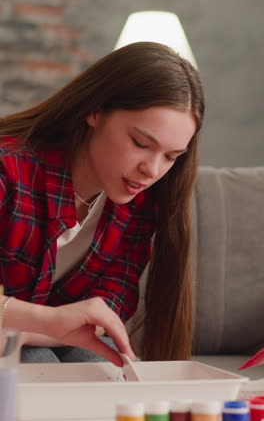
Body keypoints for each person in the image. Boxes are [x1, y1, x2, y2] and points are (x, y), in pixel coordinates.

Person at [0, 41, 204, 364]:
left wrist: (36, 329)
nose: (152, 170)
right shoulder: (8, 170)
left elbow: (103, 314)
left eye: (171, 157)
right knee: (38, 360)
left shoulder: (139, 206)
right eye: (140, 143)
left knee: (95, 363)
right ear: (95, 110)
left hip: (29, 338)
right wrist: (50, 323)